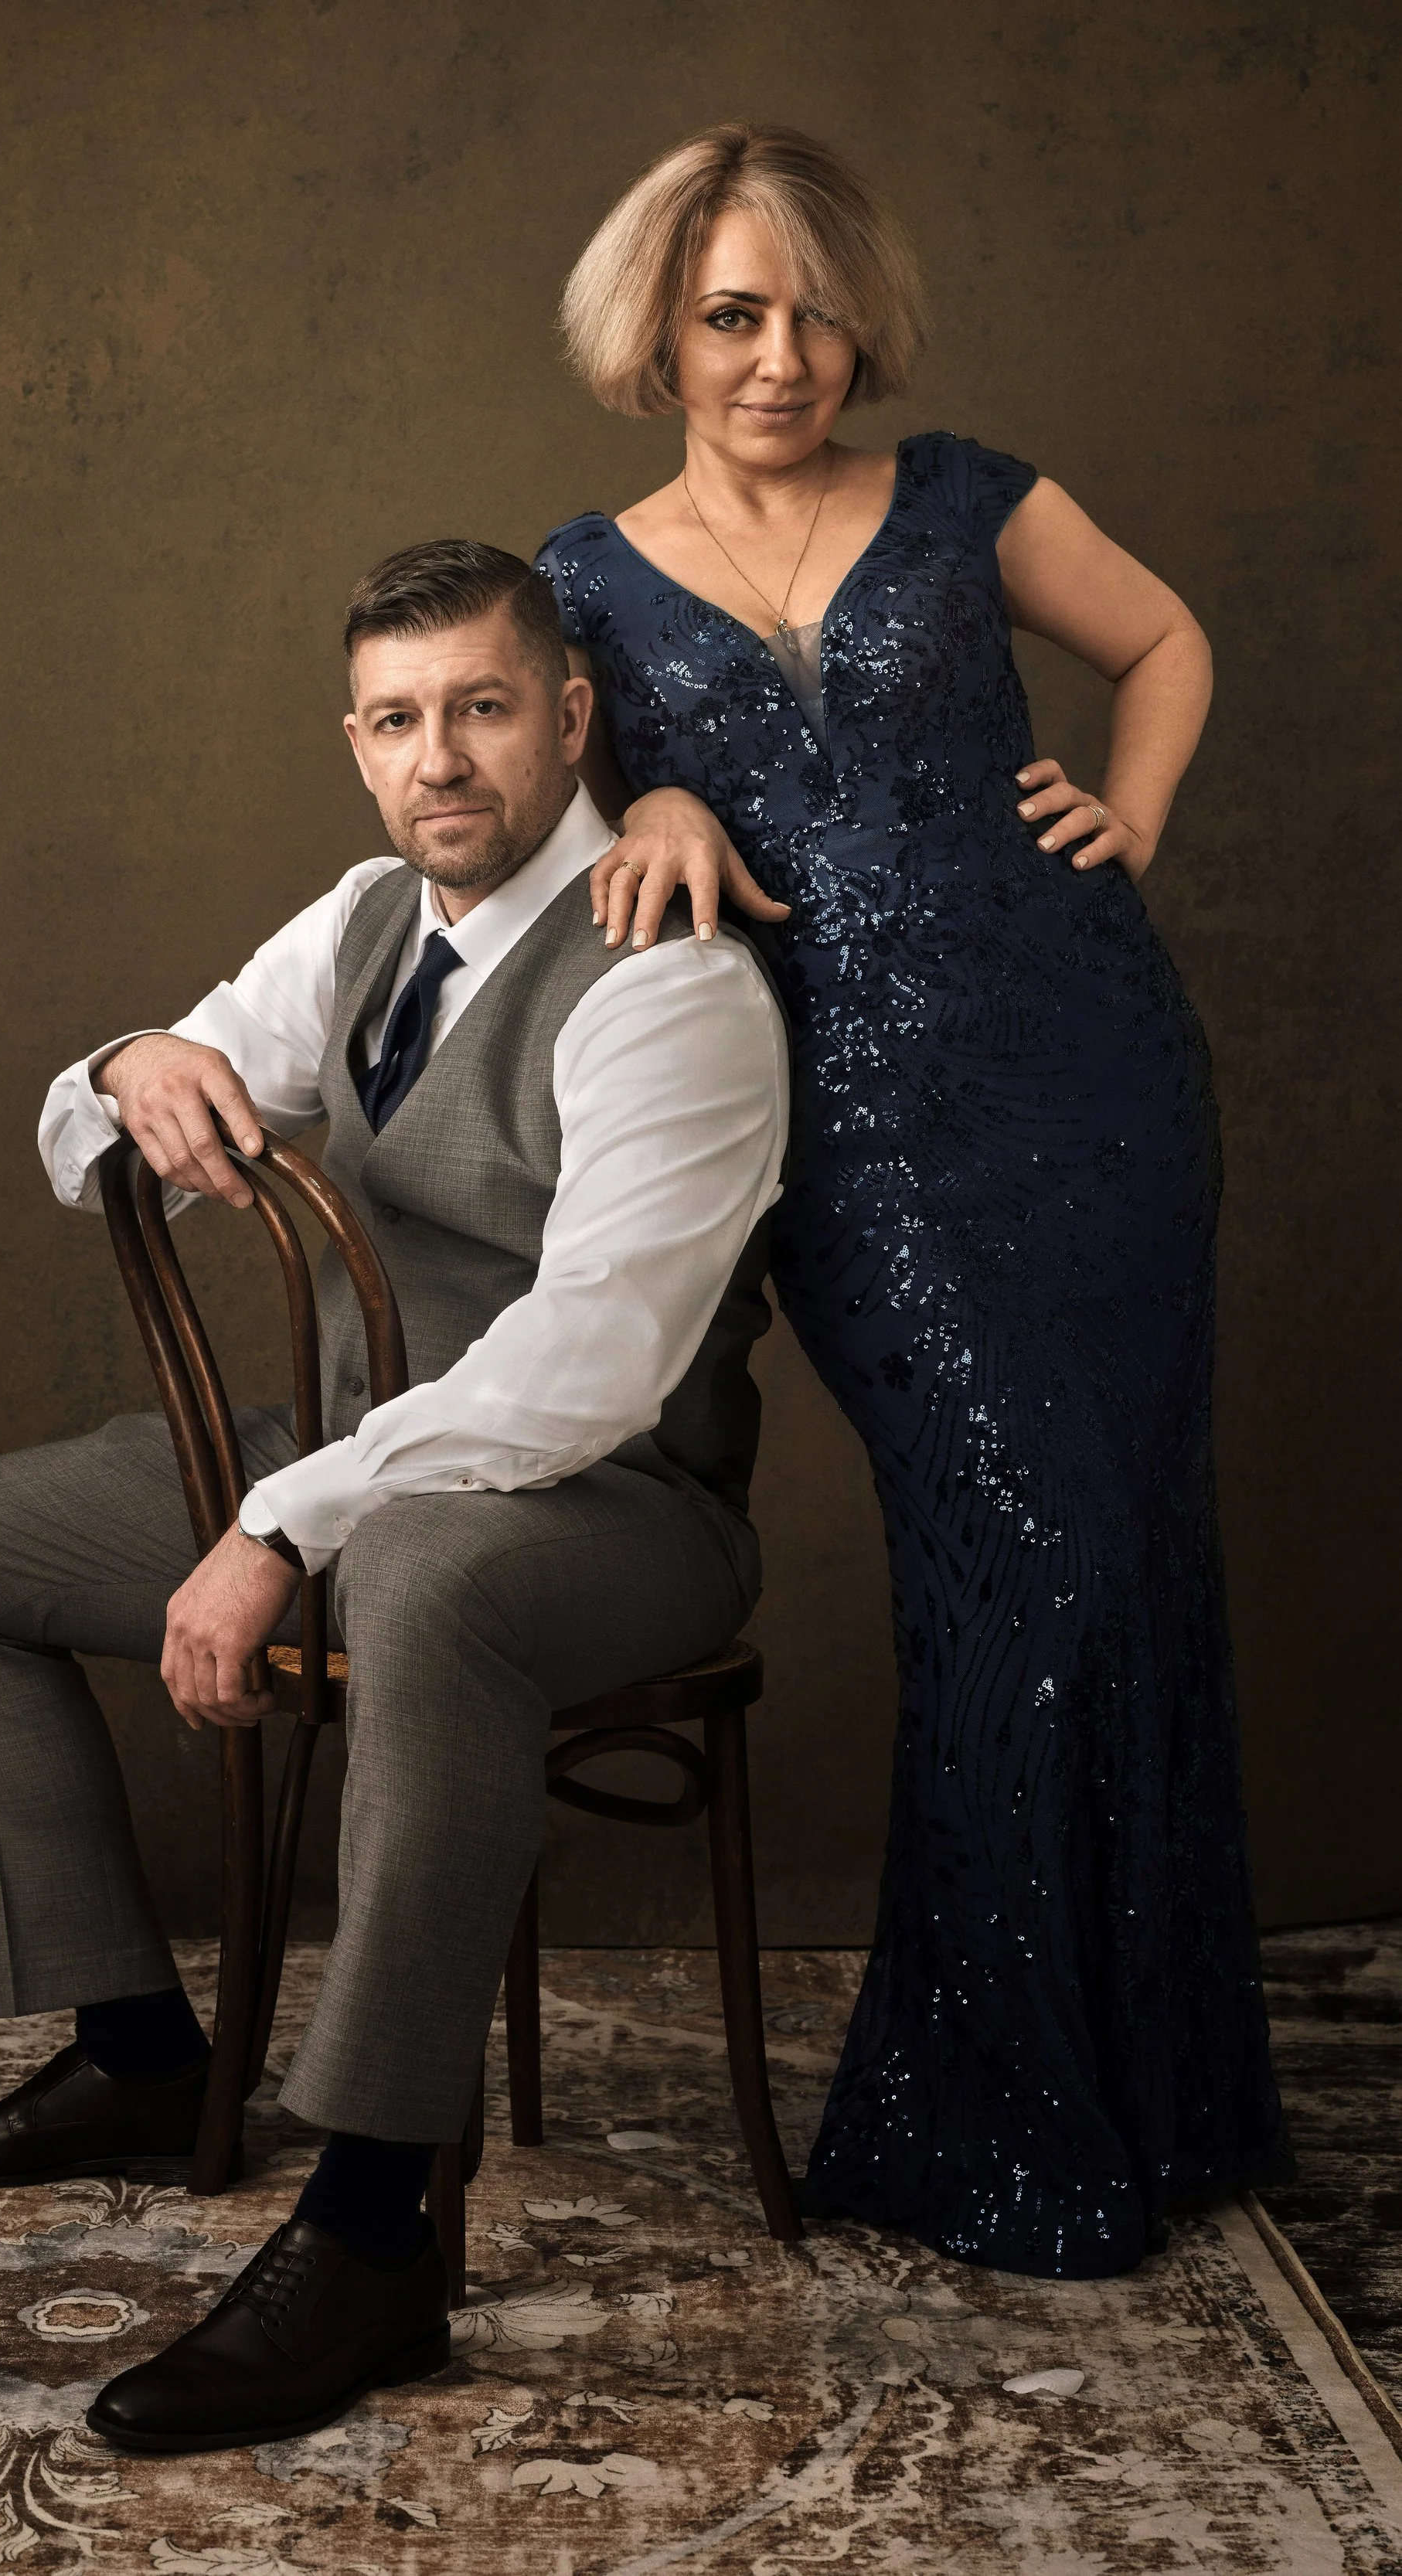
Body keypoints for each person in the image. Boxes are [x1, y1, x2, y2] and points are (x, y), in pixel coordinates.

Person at [0, 539, 789, 2452]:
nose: (437, 757)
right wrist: (135, 1061)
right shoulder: (369, 916)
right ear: (357, 747)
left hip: (611, 1510)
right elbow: (82, 1117)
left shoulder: (667, 984)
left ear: (567, 720)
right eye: (394, 720)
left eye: (479, 707)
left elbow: (593, 1362)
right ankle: (129, 2048)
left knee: (432, 1574)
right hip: (366, 1461)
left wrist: (286, 1524)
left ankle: (371, 2234)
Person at [533, 124, 1283, 2279]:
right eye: (730, 314)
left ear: (862, 316)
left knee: (1119, 1567)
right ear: (657, 328)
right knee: (1018, 1570)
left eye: (812, 311)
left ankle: (1156, 2097)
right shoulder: (578, 578)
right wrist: (656, 778)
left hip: (1099, 1089)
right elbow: (526, 796)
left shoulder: (959, 495)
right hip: (848, 1149)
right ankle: (1000, 2110)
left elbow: (1162, 642)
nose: (780, 358)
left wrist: (1124, 812)